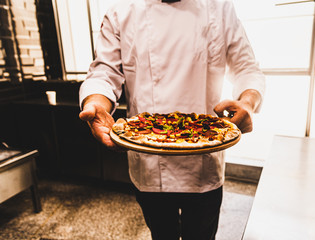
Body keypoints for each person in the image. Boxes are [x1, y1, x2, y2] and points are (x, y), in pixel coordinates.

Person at [79, 0, 265, 239]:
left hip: (204, 163)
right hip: (148, 160)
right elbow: (104, 72)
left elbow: (247, 68)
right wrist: (95, 103)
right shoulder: (121, 12)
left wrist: (248, 103)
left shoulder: (219, 7)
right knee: (161, 234)